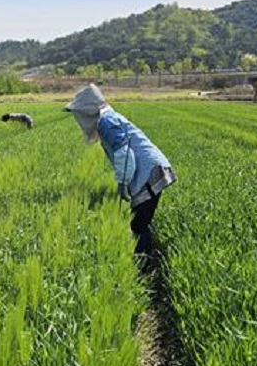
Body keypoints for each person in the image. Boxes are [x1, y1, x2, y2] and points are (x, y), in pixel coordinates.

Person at [65, 84, 177, 268]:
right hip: (155, 170)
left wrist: (122, 183)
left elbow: (124, 154)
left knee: (139, 225)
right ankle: (145, 261)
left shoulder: (105, 122)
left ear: (89, 110)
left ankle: (144, 265)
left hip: (149, 173)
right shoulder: (109, 118)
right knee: (141, 220)